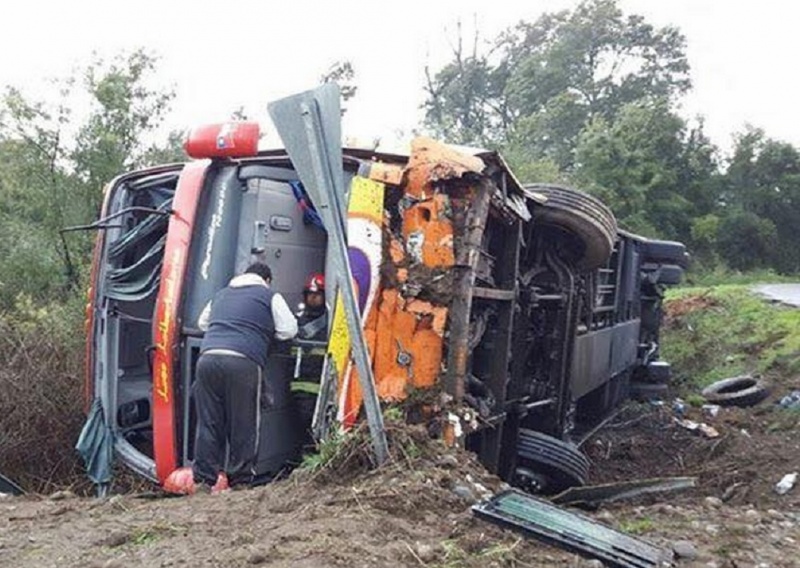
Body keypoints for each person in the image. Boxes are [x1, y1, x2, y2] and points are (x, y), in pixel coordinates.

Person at [192, 262, 298, 493]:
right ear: (267, 279)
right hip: (242, 361)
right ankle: (240, 482)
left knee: (209, 422)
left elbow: (202, 323)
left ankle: (203, 481)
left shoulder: (221, 294)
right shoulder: (269, 295)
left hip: (207, 359)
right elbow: (289, 329)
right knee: (244, 423)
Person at [291, 273, 328, 450]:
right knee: (300, 426)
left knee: (315, 425)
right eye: (310, 295)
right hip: (297, 385)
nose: (313, 298)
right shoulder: (296, 320)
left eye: (317, 295)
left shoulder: (329, 323)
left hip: (319, 385)